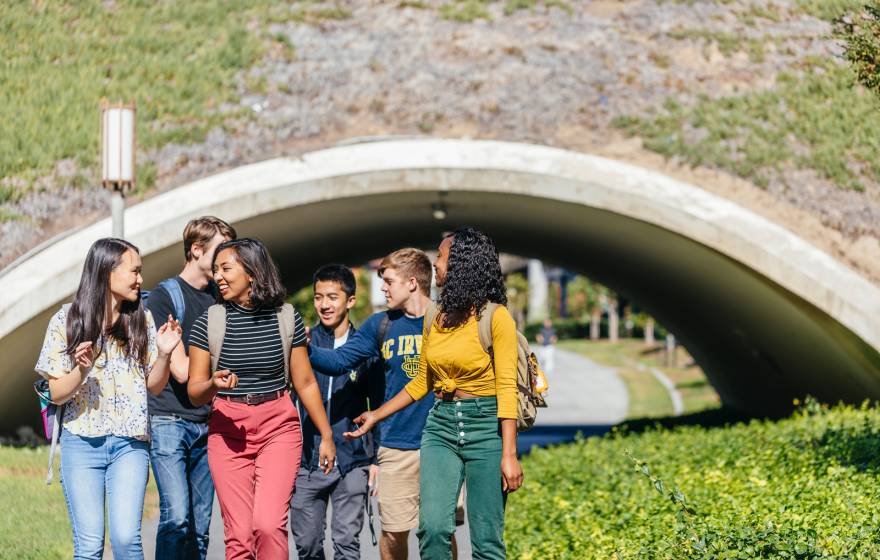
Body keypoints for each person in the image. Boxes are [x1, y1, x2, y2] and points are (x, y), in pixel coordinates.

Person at [345, 228, 524, 560]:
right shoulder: (435, 317)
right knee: (434, 529)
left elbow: (507, 388)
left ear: (460, 264)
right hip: (440, 427)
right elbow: (421, 382)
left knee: (487, 541)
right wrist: (377, 414)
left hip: (485, 427)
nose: (436, 265)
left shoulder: (497, 318)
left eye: (440, 257)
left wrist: (509, 454)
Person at [186, 238, 336, 560]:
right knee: (239, 536)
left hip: (278, 425)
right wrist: (213, 384)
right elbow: (195, 392)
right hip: (227, 428)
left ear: (252, 272)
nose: (219, 277)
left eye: (226, 268)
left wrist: (326, 434)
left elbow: (306, 382)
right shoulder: (208, 322)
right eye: (215, 271)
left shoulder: (286, 317)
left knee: (268, 526)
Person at [35, 238, 182, 559]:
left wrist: (165, 355)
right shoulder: (66, 320)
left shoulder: (141, 319)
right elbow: (57, 393)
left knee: (127, 539)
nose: (141, 279)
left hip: (130, 445)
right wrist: (82, 370)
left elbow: (154, 386)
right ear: (106, 272)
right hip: (81, 445)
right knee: (88, 546)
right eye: (134, 271)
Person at [308, 248, 459, 560]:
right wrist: (301, 345)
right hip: (395, 445)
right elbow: (338, 361)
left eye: (389, 281)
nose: (383, 288)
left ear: (412, 283)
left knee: (441, 531)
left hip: (444, 443)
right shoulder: (381, 325)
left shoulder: (448, 321)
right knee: (393, 531)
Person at [145, 216, 236, 560]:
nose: (227, 262)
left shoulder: (220, 300)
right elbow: (182, 371)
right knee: (177, 519)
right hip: (170, 421)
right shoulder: (165, 297)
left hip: (208, 422)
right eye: (219, 252)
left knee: (200, 529)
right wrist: (222, 371)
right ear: (197, 250)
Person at [289, 264, 383, 560]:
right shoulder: (302, 343)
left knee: (346, 544)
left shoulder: (366, 347)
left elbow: (378, 405)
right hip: (308, 460)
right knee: (307, 545)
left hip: (352, 461)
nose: (324, 305)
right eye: (318, 297)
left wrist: (376, 459)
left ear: (350, 300)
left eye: (332, 297)